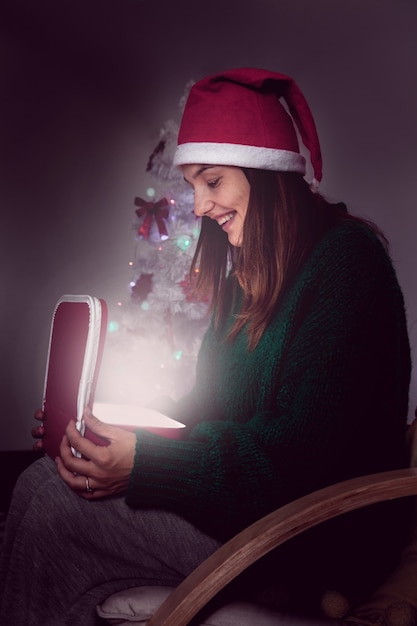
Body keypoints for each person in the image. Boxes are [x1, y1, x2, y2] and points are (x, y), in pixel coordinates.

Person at [0, 68, 412, 625]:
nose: (198, 206)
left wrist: (145, 465)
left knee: (53, 503)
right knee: (36, 483)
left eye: (212, 181)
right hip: (245, 514)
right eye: (194, 184)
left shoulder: (348, 264)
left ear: (265, 173)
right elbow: (206, 410)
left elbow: (297, 464)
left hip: (306, 537)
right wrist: (105, 434)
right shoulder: (249, 273)